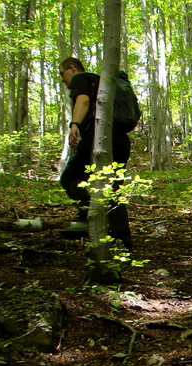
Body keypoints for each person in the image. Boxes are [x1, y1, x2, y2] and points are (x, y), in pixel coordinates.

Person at [58, 57, 133, 250]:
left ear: (72, 69)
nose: (63, 80)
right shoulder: (101, 83)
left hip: (98, 138)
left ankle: (87, 218)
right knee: (113, 188)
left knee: (70, 178)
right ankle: (122, 241)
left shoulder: (81, 78)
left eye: (62, 73)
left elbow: (82, 100)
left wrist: (74, 125)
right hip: (120, 140)